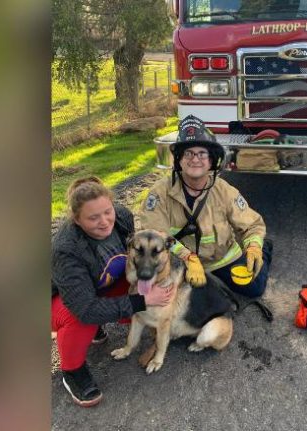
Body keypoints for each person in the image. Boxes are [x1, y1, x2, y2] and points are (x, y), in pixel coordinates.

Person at [51, 176, 174, 407]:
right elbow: (85, 309)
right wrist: (141, 301)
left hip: (96, 285)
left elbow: (136, 256)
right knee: (80, 318)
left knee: (140, 300)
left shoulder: (122, 217)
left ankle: (99, 327)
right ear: (77, 220)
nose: (105, 222)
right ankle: (72, 372)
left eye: (107, 211)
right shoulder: (65, 249)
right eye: (93, 217)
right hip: (58, 299)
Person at [140, 115, 273, 297]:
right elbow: (152, 235)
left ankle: (265, 249)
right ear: (179, 160)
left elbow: (252, 224)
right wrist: (187, 257)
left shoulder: (223, 190)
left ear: (211, 161)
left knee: (254, 288)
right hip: (180, 262)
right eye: (188, 153)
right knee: (159, 294)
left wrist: (254, 247)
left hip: (221, 259)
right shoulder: (159, 193)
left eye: (202, 153)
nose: (195, 159)